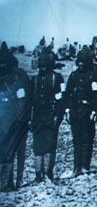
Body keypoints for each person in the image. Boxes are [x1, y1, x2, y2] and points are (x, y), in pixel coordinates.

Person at [64, 46, 97, 176]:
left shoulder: (93, 75)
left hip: (87, 110)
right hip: (75, 110)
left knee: (87, 139)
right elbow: (67, 93)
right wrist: (67, 110)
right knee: (77, 140)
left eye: (83, 62)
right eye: (79, 62)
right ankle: (77, 166)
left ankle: (85, 166)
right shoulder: (74, 76)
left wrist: (94, 111)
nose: (80, 65)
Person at [29, 47, 64, 182]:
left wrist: (58, 117)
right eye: (41, 65)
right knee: (38, 146)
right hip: (37, 117)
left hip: (50, 116)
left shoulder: (56, 78)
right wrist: (30, 119)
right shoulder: (34, 80)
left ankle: (48, 173)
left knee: (50, 145)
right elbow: (30, 101)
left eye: (45, 65)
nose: (43, 68)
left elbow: (60, 100)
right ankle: (38, 175)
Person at [0, 42, 31, 190]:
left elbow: (22, 101)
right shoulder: (14, 77)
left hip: (15, 122)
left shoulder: (18, 78)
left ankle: (13, 181)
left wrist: (21, 119)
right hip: (6, 121)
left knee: (14, 152)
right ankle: (6, 182)